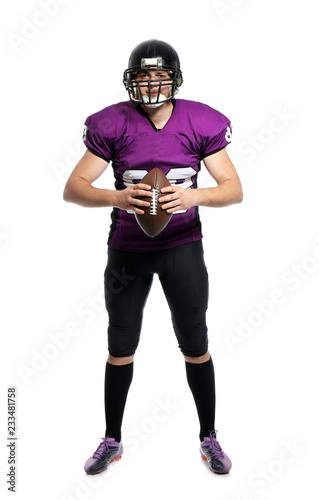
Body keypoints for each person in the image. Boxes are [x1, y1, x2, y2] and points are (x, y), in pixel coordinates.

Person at [63, 39, 243, 475]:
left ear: (174, 78)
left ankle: (209, 437)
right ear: (131, 80)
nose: (150, 84)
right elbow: (74, 188)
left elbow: (233, 189)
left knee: (195, 342)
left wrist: (192, 195)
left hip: (182, 247)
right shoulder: (112, 123)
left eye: (158, 75)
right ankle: (112, 439)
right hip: (127, 249)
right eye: (142, 76)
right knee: (120, 344)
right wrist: (118, 196)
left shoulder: (201, 121)